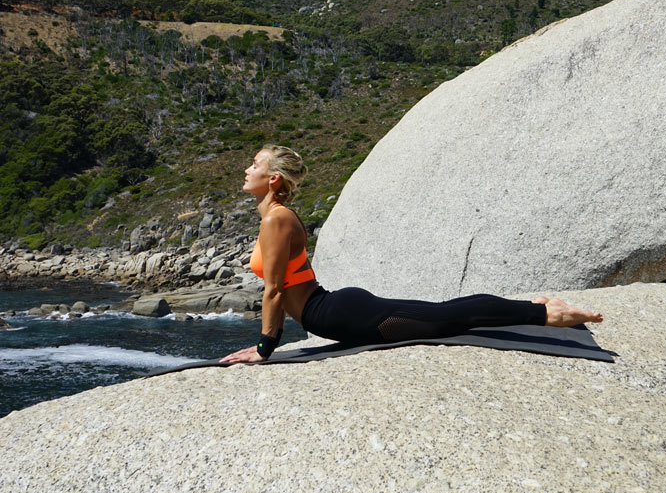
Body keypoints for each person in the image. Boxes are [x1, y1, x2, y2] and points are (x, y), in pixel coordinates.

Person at [220, 145, 603, 364]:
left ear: (272, 179)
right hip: (336, 310)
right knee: (443, 314)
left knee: (446, 319)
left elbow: (274, 290)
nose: (247, 169)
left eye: (255, 164)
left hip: (338, 314)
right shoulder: (273, 218)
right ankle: (536, 308)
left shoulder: (277, 219)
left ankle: (546, 314)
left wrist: (264, 348)